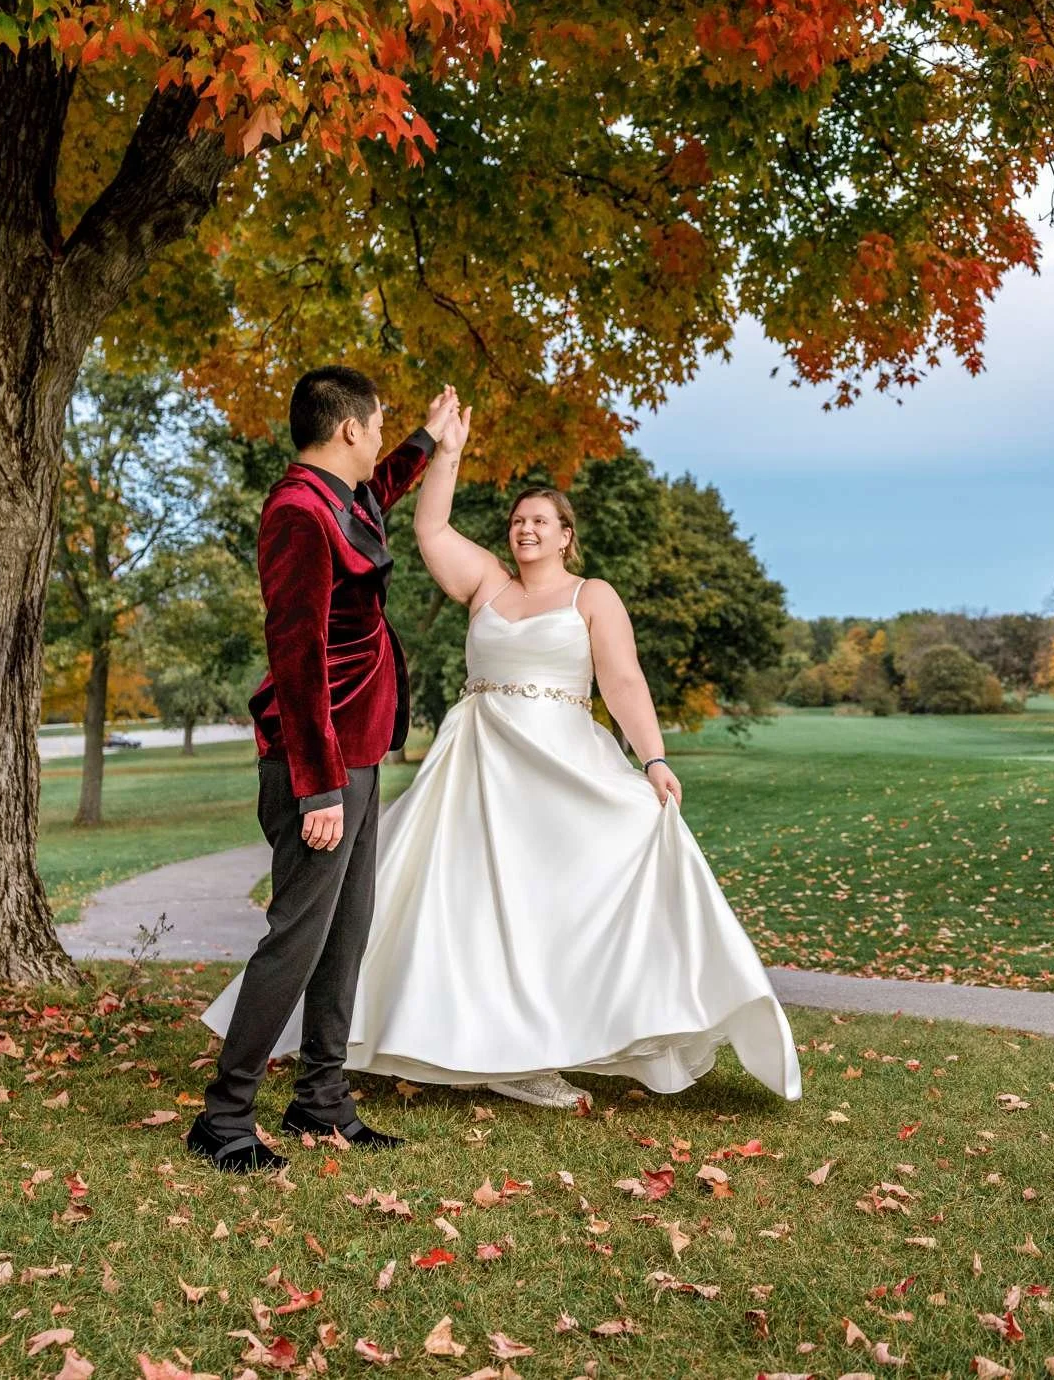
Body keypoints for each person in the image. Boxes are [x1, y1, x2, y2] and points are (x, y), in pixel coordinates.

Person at [333, 389, 801, 1108]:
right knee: (469, 908)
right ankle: (469, 1047)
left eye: (540, 522)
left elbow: (622, 680)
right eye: (518, 520)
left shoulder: (592, 596)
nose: (524, 529)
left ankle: (547, 1045)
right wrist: (446, 453)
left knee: (557, 904)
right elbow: (430, 532)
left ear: (565, 537)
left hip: (563, 772)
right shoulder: (486, 583)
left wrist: (654, 758)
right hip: (482, 768)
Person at [186, 361, 439, 1176]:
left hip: (360, 755)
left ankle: (320, 1100)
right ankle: (223, 1117)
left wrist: (432, 436)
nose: (382, 440)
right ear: (349, 430)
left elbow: (388, 484)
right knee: (296, 937)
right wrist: (318, 785)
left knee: (345, 934)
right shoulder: (299, 514)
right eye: (380, 423)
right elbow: (296, 657)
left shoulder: (346, 496)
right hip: (318, 765)